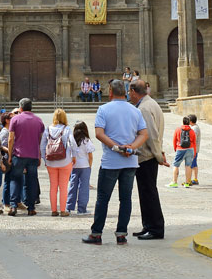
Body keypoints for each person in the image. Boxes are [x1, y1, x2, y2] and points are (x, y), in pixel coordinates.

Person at [83, 80, 148, 245]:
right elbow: (144, 134)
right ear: (125, 92)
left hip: (111, 162)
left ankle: (96, 233)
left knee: (103, 198)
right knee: (125, 198)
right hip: (130, 161)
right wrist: (130, 147)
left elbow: (99, 133)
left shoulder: (103, 109)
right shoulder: (135, 110)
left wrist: (116, 148)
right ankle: (121, 234)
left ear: (110, 91)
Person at [129, 80, 166, 239]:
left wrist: (159, 156)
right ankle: (148, 225)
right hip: (148, 156)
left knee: (149, 193)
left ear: (134, 92)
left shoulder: (144, 108)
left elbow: (151, 135)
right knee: (145, 193)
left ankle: (156, 228)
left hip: (147, 157)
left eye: (130, 92)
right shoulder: (151, 103)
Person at [7, 98, 45, 217]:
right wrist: (39, 155)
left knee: (15, 179)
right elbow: (40, 140)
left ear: (20, 108)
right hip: (33, 155)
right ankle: (31, 208)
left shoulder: (15, 119)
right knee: (31, 181)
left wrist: (9, 155)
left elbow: (10, 139)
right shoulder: (38, 121)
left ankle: (13, 206)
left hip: (19, 155)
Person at [40, 108, 75, 217]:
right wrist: (73, 156)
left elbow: (42, 145)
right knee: (63, 186)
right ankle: (63, 210)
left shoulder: (48, 129)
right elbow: (72, 143)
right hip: (65, 161)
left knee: (53, 186)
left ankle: (54, 210)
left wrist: (44, 159)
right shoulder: (67, 129)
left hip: (51, 162)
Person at [66, 121, 95, 215]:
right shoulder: (86, 140)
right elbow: (90, 156)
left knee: (72, 186)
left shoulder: (71, 140)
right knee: (84, 188)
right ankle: (81, 209)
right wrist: (90, 166)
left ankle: (69, 207)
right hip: (85, 166)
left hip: (74, 166)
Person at [169, 116, 197, 188]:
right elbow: (194, 142)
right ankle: (187, 183)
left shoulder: (178, 129)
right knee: (188, 166)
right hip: (190, 149)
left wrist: (176, 149)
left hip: (180, 148)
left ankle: (174, 182)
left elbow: (174, 140)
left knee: (176, 165)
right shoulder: (192, 131)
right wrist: (194, 151)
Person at [187, 114, 202, 186]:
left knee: (191, 165)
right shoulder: (193, 127)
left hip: (193, 149)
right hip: (193, 149)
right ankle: (195, 179)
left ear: (191, 121)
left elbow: (193, 138)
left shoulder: (195, 128)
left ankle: (190, 180)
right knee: (194, 164)